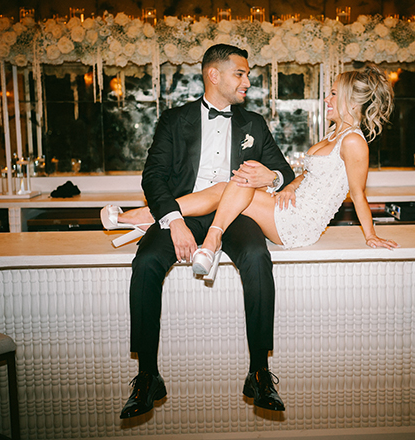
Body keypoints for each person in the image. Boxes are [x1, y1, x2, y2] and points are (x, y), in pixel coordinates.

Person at [115, 44, 295, 420]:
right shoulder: (174, 120)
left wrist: (272, 176)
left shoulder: (254, 124)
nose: (247, 80)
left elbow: (285, 173)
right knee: (146, 261)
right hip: (184, 212)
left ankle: (259, 371)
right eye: (240, 73)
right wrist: (174, 222)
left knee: (258, 257)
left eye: (247, 74)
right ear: (214, 75)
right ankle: (147, 374)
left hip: (234, 214)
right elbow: (154, 177)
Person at [115, 65, 399, 270]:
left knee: (235, 183)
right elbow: (310, 175)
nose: (327, 99)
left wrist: (371, 235)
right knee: (231, 184)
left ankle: (190, 230)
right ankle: (156, 216)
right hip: (292, 206)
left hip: (300, 224)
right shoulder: (334, 134)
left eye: (334, 94)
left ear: (351, 99)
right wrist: (288, 186)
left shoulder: (353, 142)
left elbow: (358, 194)